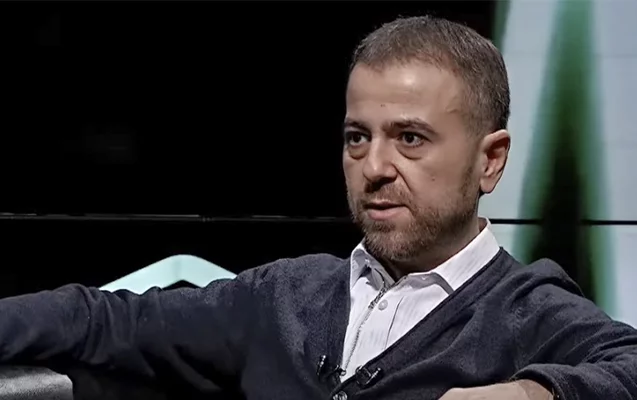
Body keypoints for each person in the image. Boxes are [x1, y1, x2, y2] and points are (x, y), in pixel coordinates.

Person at [1, 15, 636, 400]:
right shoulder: (284, 296)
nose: (375, 166)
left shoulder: (527, 311)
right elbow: (103, 321)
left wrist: (534, 391)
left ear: (490, 160)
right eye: (358, 137)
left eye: (410, 138)